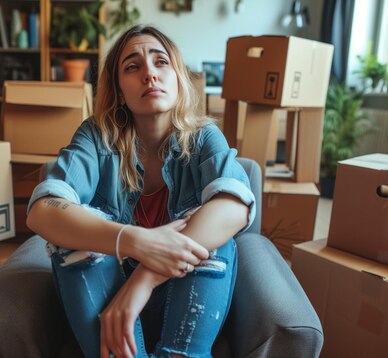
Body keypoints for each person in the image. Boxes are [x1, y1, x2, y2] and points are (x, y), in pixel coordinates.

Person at [26, 25, 256, 358]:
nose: (149, 73)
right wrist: (137, 241)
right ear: (119, 91)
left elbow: (235, 205)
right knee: (72, 240)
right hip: (106, 295)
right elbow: (43, 209)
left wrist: (143, 280)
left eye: (161, 62)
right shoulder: (95, 136)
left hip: (178, 292)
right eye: (133, 67)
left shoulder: (204, 137)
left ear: (178, 79)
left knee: (215, 240)